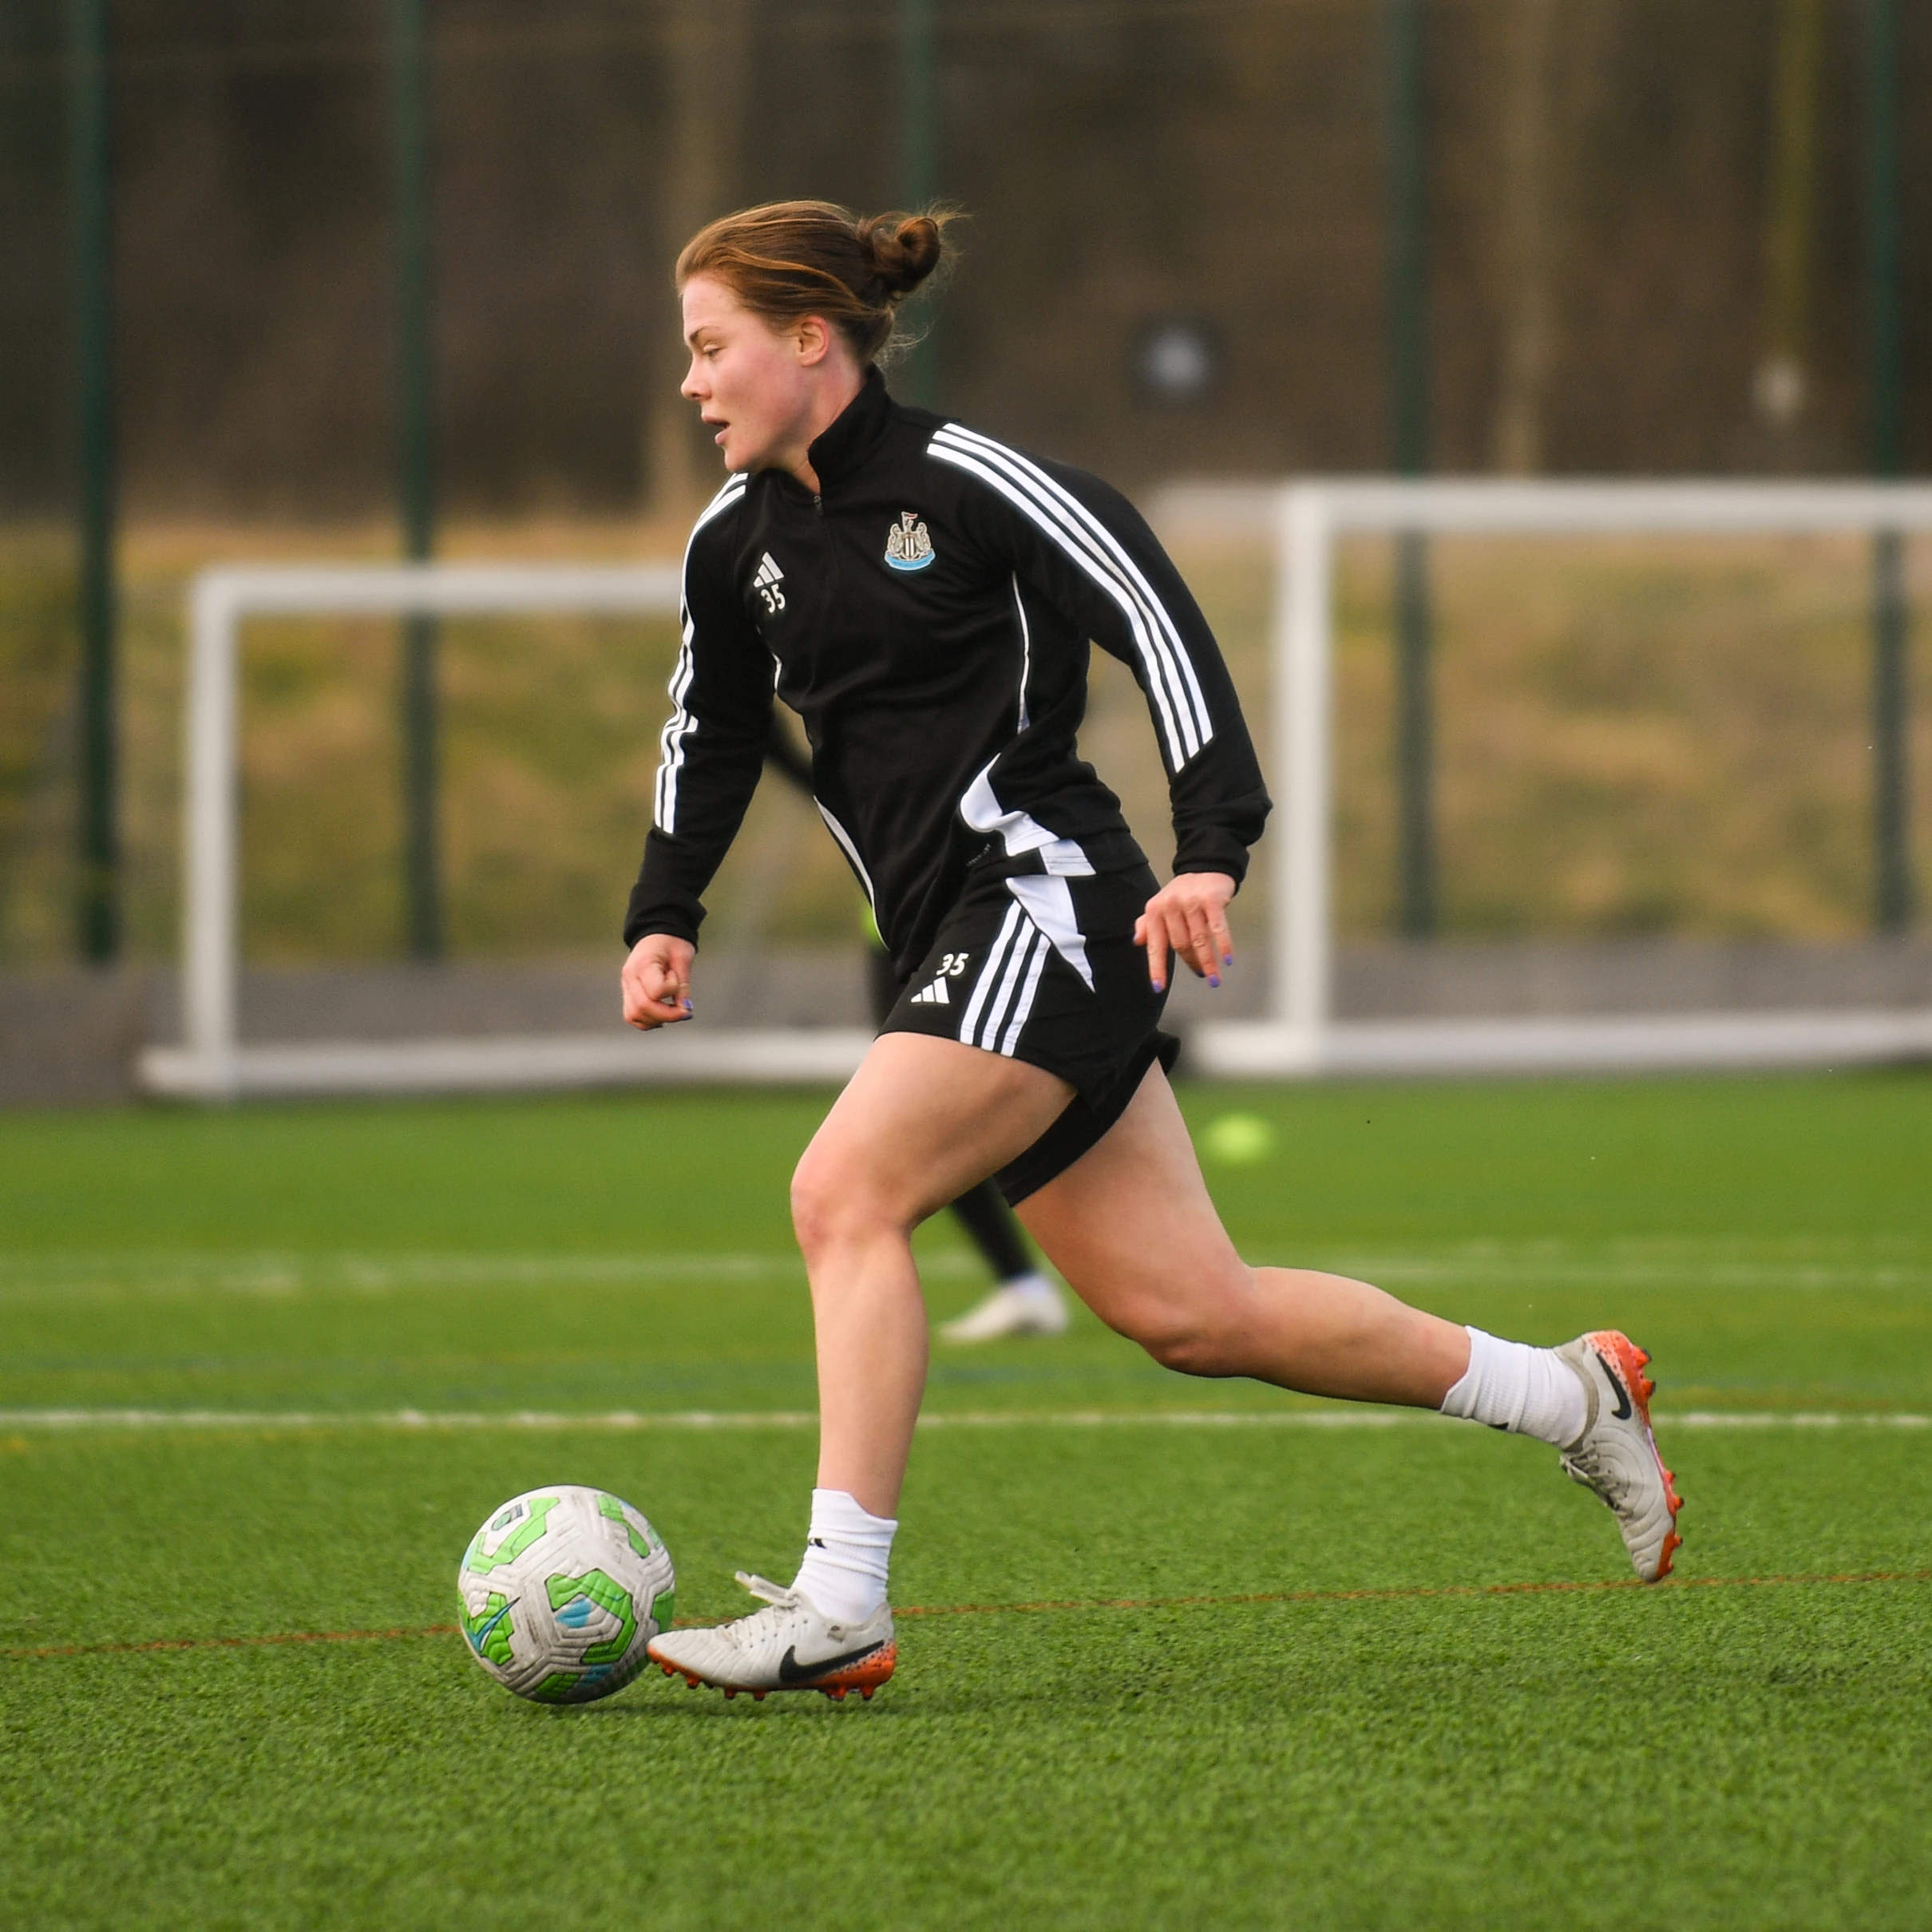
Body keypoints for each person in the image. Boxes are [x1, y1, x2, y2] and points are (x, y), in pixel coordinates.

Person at [622, 201, 1682, 1703]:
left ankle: (839, 1602)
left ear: (810, 338)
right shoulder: (732, 543)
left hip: (1044, 903)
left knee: (842, 1193)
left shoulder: (975, 484)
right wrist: (665, 911)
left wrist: (1210, 851)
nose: (691, 383)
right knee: (1195, 1314)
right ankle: (1571, 1394)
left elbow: (1158, 624)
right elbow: (711, 730)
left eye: (710, 346)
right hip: (960, 940)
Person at [762, 718, 1069, 1341]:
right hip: (892, 933)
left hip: (972, 921)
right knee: (928, 1118)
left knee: (939, 1116)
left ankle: (1039, 1280)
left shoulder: (956, 722)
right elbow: (822, 782)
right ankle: (1022, 1284)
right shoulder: (862, 754)